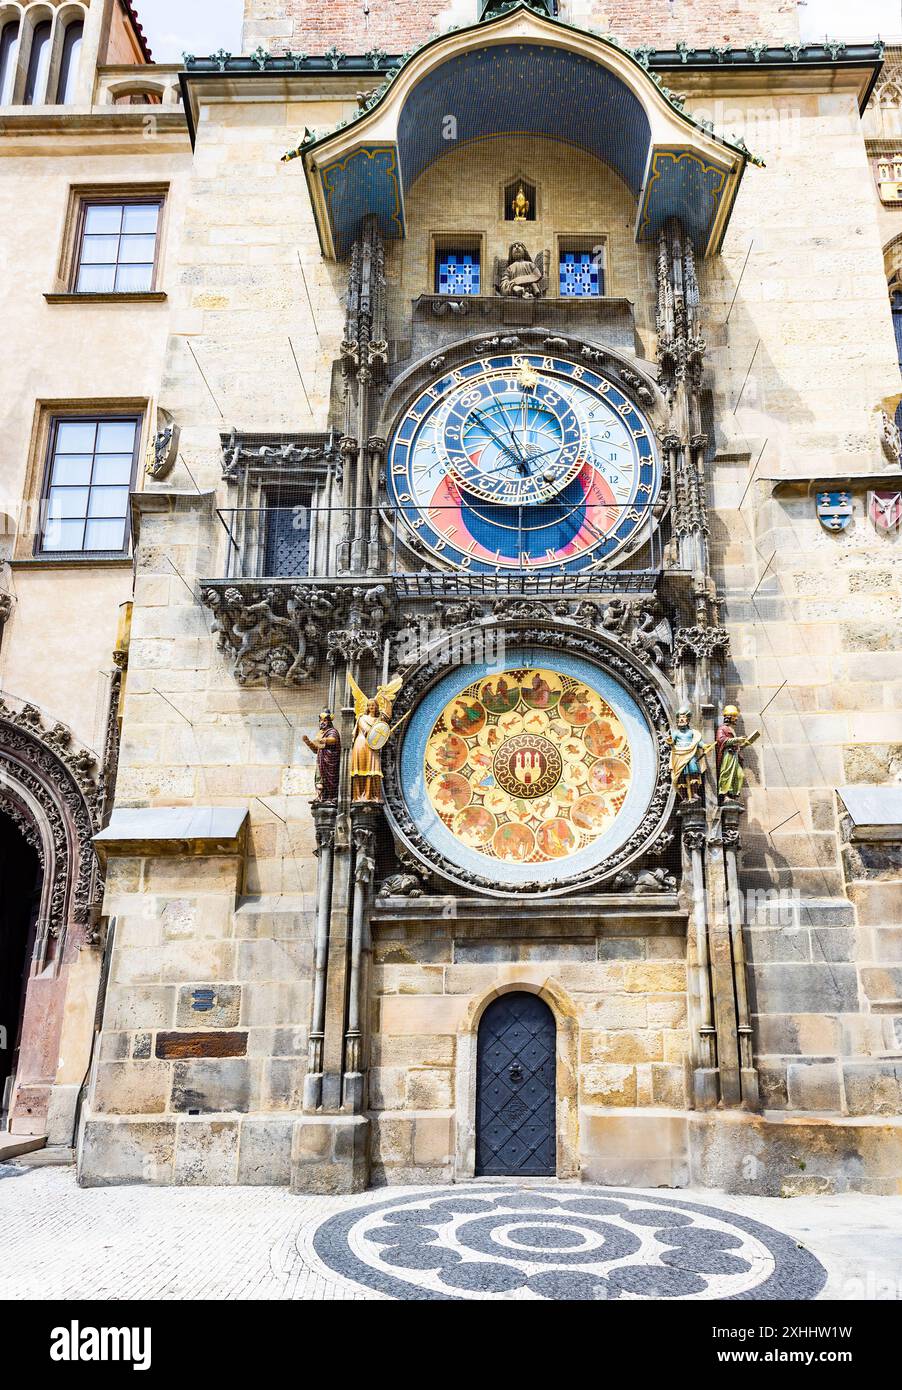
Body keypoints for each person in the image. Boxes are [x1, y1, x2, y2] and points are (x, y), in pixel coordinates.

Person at [716, 704, 760, 801]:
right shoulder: (722, 728)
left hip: (734, 755)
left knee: (739, 775)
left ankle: (733, 795)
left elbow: (736, 745)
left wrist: (745, 743)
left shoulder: (732, 730)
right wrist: (736, 739)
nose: (736, 719)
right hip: (727, 755)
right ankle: (725, 795)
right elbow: (721, 740)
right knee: (727, 773)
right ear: (729, 717)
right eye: (734, 717)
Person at [668, 704, 711, 803]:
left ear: (688, 719)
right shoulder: (676, 733)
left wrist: (704, 746)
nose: (681, 720)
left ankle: (694, 792)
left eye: (683, 718)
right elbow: (672, 742)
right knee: (681, 776)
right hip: (679, 755)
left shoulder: (692, 732)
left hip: (691, 754)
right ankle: (684, 796)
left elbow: (697, 742)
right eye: (679, 718)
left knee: (694, 771)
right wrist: (669, 741)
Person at [302, 709, 341, 802]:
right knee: (319, 779)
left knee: (330, 779)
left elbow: (333, 740)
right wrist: (308, 742)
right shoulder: (320, 734)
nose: (322, 722)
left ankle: (331, 797)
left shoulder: (332, 731)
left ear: (329, 722)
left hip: (330, 761)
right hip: (321, 761)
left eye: (325, 720)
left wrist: (323, 740)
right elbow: (316, 749)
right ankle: (319, 797)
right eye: (321, 720)